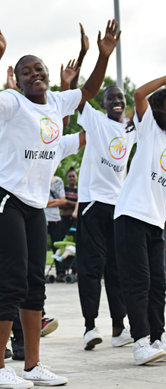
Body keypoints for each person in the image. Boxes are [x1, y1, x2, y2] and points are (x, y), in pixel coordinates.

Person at [0, 15, 118, 388]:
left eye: (40, 69)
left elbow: (88, 90)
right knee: (12, 283)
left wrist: (102, 56)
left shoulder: (56, 101)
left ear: (48, 76)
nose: (35, 74)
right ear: (18, 81)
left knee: (36, 284)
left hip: (33, 205)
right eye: (27, 71)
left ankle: (33, 366)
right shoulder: (13, 104)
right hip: (1, 198)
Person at [0, 63, 86, 365]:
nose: (0, 122)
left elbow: (53, 125)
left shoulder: (30, 130)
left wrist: (67, 85)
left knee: (28, 282)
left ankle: (26, 349)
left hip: (26, 212)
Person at [75, 74, 138, 350]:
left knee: (116, 268)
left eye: (120, 98)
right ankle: (90, 327)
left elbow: (150, 112)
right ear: (102, 104)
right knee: (91, 267)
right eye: (111, 97)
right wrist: (80, 63)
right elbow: (77, 97)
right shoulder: (95, 121)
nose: (116, 101)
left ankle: (118, 328)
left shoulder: (129, 130)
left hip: (118, 205)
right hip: (92, 202)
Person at [113, 75, 166, 365]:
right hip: (131, 215)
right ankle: (141, 342)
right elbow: (140, 93)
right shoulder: (151, 129)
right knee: (139, 282)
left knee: (158, 283)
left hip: (157, 222)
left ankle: (158, 338)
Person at [45, 175, 67, 280]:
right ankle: (39, 272)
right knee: (40, 246)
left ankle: (60, 272)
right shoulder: (39, 176)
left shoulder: (58, 181)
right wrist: (55, 202)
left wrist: (46, 203)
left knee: (57, 245)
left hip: (55, 218)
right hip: (41, 217)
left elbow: (63, 200)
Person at [61, 167, 78, 236]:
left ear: (76, 177)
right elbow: (61, 204)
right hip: (64, 219)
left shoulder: (79, 190)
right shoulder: (63, 189)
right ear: (67, 178)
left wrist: (67, 201)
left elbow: (80, 205)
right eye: (70, 176)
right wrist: (75, 204)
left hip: (75, 220)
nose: (72, 178)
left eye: (73, 176)